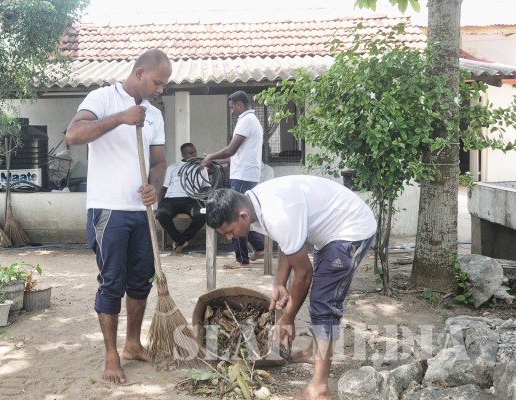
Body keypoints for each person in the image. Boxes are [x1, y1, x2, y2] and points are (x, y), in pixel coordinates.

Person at [205, 175, 376, 400]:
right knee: (320, 299)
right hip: (330, 230)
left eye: (229, 231)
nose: (229, 238)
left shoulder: (276, 214)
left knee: (323, 303)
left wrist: (287, 319)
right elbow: (287, 240)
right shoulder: (253, 204)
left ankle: (319, 388)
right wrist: (279, 282)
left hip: (351, 229)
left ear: (242, 216)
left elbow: (304, 275)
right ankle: (313, 352)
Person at [65, 49, 172, 385]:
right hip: (108, 209)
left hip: (141, 212)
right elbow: (73, 135)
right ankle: (111, 355)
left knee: (141, 281)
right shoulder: (102, 98)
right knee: (112, 282)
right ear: (139, 73)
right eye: (157, 82)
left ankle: (132, 344)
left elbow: (159, 161)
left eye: (164, 85)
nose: (160, 89)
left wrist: (155, 187)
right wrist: (121, 118)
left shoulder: (155, 115)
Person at [198, 90, 265, 269]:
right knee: (245, 214)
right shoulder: (251, 120)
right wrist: (213, 161)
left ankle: (241, 259)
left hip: (242, 176)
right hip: (246, 174)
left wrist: (211, 156)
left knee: (235, 214)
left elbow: (231, 150)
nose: (231, 110)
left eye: (232, 107)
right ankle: (259, 248)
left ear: (239, 104)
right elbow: (234, 155)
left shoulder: (246, 121)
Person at [156, 143, 208, 254]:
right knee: (161, 214)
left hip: (192, 199)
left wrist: (203, 197)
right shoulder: (173, 167)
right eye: (190, 153)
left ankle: (182, 240)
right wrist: (159, 205)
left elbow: (206, 187)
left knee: (202, 214)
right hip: (171, 199)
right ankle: (181, 241)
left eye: (195, 152)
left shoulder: (201, 167)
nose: (194, 155)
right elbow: (164, 188)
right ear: (183, 155)